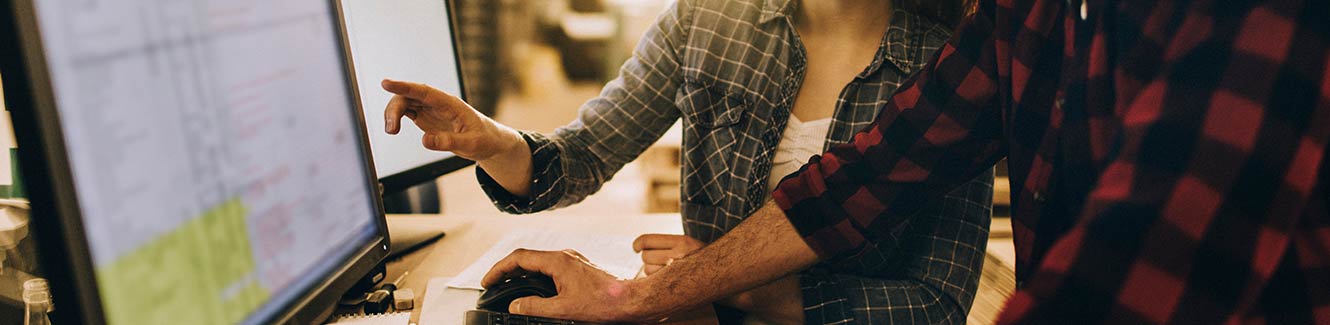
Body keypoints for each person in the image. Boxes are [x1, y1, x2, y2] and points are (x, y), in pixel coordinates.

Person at [477, 0, 1330, 323]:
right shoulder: (1025, 15)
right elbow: (858, 182)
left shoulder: (1256, 16)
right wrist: (638, 295)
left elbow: (1118, 289)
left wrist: (741, 292)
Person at [380, 0, 990, 323]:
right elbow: (580, 157)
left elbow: (936, 305)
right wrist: (497, 143)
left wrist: (740, 287)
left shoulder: (952, 71)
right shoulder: (706, 19)